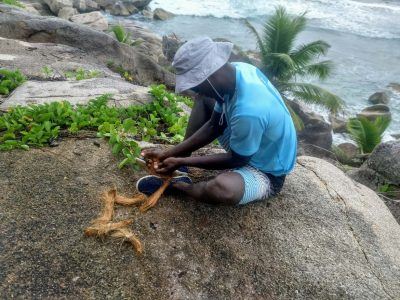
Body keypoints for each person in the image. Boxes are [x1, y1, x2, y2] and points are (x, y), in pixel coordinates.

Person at [136, 37, 297, 206]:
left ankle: (177, 186)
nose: (195, 90)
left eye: (196, 86)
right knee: (204, 100)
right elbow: (215, 125)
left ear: (210, 76)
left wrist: (181, 161)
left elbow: (237, 160)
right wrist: (171, 154)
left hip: (266, 171)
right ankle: (180, 166)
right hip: (251, 141)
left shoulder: (249, 111)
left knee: (222, 189)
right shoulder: (239, 71)